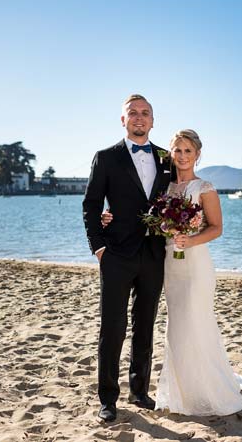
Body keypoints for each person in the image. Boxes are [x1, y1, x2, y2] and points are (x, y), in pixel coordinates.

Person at [102, 129, 242, 416]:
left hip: (195, 264)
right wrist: (107, 214)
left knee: (198, 320)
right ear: (170, 154)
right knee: (176, 326)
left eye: (188, 151)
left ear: (197, 154)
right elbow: (133, 205)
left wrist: (190, 239)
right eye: (177, 150)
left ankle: (208, 388)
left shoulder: (204, 187)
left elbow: (217, 228)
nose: (182, 156)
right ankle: (183, 390)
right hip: (168, 263)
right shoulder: (164, 187)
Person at [82, 94, 173, 423]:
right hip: (116, 254)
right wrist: (99, 247)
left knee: (145, 325)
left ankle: (139, 391)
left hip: (154, 254)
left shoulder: (167, 159)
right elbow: (91, 204)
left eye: (145, 113)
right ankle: (107, 398)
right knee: (113, 327)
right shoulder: (106, 158)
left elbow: (172, 202)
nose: (138, 118)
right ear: (123, 120)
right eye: (132, 113)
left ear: (153, 120)